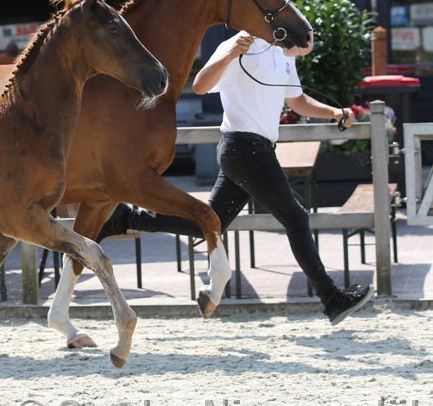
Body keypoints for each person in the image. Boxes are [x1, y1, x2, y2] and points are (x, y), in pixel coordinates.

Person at [98, 30, 374, 326]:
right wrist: (229, 55)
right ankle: (331, 299)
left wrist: (335, 112)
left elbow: (296, 100)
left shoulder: (282, 53)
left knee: (207, 223)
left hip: (254, 150)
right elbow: (200, 85)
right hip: (245, 148)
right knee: (295, 217)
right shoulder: (238, 44)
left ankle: (123, 218)